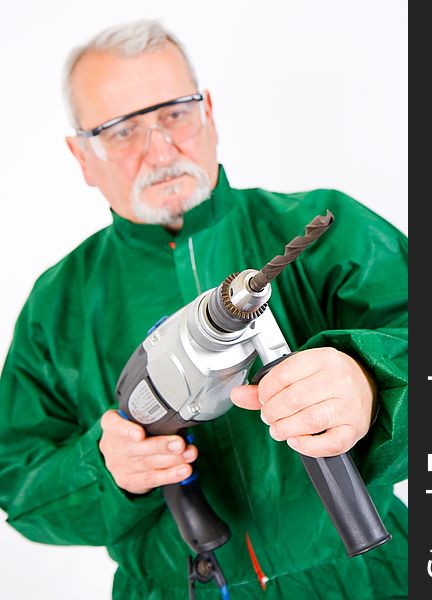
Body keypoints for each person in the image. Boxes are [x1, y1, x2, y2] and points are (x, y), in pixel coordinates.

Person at [0, 20, 408, 600]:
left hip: (369, 579)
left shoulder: (324, 232)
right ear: (82, 156)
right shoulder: (57, 306)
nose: (160, 150)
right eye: (120, 131)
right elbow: (19, 485)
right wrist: (105, 468)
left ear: (209, 111)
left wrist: (374, 380)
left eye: (174, 114)